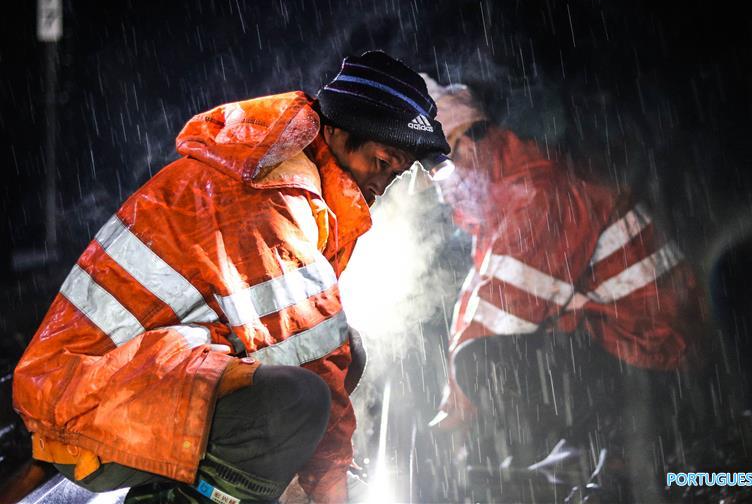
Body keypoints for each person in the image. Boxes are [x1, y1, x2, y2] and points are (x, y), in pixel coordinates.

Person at [12, 51, 450, 503]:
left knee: (342, 356)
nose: (383, 184)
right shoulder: (272, 198)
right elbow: (315, 366)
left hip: (121, 385)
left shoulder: (293, 177)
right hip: (87, 406)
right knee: (301, 400)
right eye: (381, 162)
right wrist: (329, 488)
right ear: (337, 131)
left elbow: (326, 348)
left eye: (396, 173)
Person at [422, 75, 707, 493]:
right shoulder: (514, 192)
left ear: (464, 145)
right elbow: (479, 300)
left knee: (482, 362)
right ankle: (584, 450)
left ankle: (616, 443)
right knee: (480, 360)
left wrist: (455, 426)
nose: (440, 190)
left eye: (436, 169)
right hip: (640, 351)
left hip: (659, 363)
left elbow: (499, 318)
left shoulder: (536, 194)